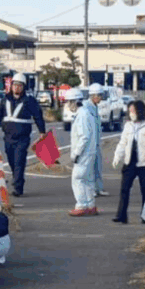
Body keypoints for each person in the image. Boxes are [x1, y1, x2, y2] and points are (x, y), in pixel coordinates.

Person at [0, 73, 46, 198]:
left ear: (23, 87)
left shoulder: (29, 101)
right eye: (15, 85)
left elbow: (38, 116)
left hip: (22, 138)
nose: (17, 88)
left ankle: (18, 187)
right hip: (8, 137)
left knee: (19, 161)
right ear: (11, 86)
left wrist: (42, 131)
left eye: (19, 85)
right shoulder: (5, 100)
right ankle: (17, 180)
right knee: (12, 161)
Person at [111, 99, 145, 224]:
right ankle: (121, 215)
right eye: (130, 111)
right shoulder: (128, 125)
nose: (131, 113)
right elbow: (123, 142)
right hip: (130, 161)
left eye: (133, 111)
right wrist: (117, 156)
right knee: (124, 189)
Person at [66, 88, 99, 217]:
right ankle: (90, 205)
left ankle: (81, 205)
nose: (68, 105)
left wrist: (76, 153)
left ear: (74, 102)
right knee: (88, 179)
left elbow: (84, 137)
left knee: (78, 179)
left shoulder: (82, 115)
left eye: (69, 102)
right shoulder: (85, 113)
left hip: (83, 153)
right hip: (89, 152)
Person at [84, 83, 109, 197]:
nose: (101, 98)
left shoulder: (94, 106)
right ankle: (91, 189)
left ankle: (99, 188)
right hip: (90, 143)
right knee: (90, 168)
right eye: (100, 96)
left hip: (96, 142)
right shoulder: (87, 107)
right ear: (94, 96)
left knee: (98, 166)